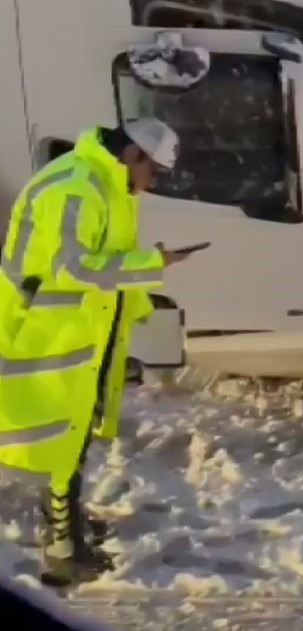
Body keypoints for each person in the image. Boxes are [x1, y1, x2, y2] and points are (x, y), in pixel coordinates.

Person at [0, 118, 193, 586]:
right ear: (134, 156)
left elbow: (105, 254)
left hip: (71, 330)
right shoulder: (79, 188)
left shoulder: (104, 183)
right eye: (155, 172)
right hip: (48, 334)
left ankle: (68, 527)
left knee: (73, 437)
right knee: (64, 440)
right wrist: (153, 264)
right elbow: (74, 268)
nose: (154, 183)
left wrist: (141, 304)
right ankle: (63, 552)